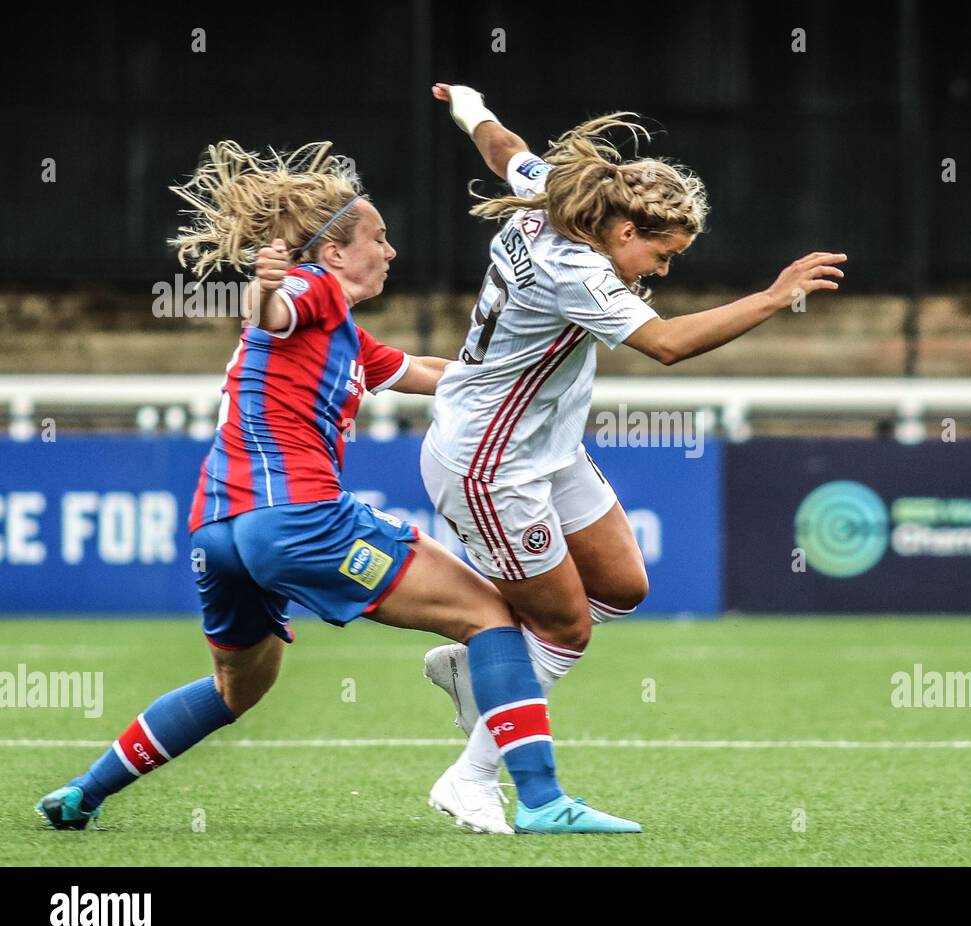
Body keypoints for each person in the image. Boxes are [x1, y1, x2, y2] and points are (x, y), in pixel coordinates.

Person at [35, 140, 637, 835]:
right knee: (493, 619)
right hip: (299, 521)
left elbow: (441, 375)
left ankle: (83, 793)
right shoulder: (312, 293)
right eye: (378, 239)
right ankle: (539, 799)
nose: (391, 251)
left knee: (236, 690)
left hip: (218, 530)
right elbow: (275, 310)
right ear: (333, 255)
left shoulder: (346, 339)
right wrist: (264, 287)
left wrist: (526, 369)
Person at [419, 84, 847, 834]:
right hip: (490, 464)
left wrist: (469, 105)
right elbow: (669, 345)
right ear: (621, 229)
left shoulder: (555, 194)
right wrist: (776, 296)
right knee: (563, 630)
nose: (661, 269)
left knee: (620, 584)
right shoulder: (575, 271)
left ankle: (479, 672)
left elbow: (502, 149)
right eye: (660, 253)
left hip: (543, 450)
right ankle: (473, 779)